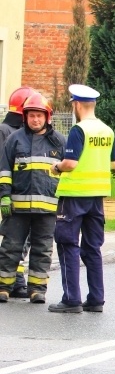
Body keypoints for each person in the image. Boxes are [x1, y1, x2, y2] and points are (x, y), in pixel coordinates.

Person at [48, 84, 115, 313]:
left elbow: (71, 163)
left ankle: (71, 299)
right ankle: (96, 299)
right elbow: (114, 164)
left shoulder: (79, 130)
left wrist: (57, 167)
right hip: (97, 198)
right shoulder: (107, 131)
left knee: (68, 244)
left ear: (77, 105)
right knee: (92, 248)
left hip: (74, 196)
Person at [0, 93, 65, 303]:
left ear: (47, 117)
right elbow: (4, 170)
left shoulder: (59, 142)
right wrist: (4, 197)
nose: (35, 119)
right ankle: (3, 287)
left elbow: (68, 174)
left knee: (42, 249)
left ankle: (37, 290)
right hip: (17, 208)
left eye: (39, 115)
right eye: (31, 116)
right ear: (25, 117)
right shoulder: (14, 139)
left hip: (47, 210)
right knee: (11, 248)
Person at [0, 86, 38, 297]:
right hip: (12, 196)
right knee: (14, 240)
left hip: (25, 195)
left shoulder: (17, 131)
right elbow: (3, 166)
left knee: (23, 239)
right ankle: (14, 281)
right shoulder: (6, 132)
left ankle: (16, 280)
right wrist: (4, 195)